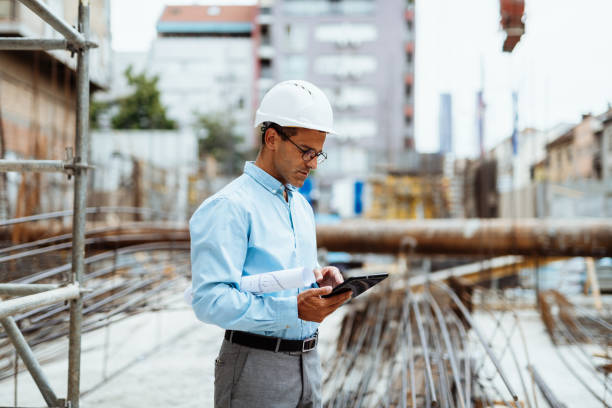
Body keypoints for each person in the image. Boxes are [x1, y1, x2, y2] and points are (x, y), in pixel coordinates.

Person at [189, 80, 352, 408]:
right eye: (306, 151)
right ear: (272, 138)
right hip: (255, 366)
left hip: (308, 363)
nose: (313, 163)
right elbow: (209, 300)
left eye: (318, 153)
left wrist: (318, 282)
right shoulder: (229, 207)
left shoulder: (301, 207)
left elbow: (287, 279)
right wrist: (291, 308)